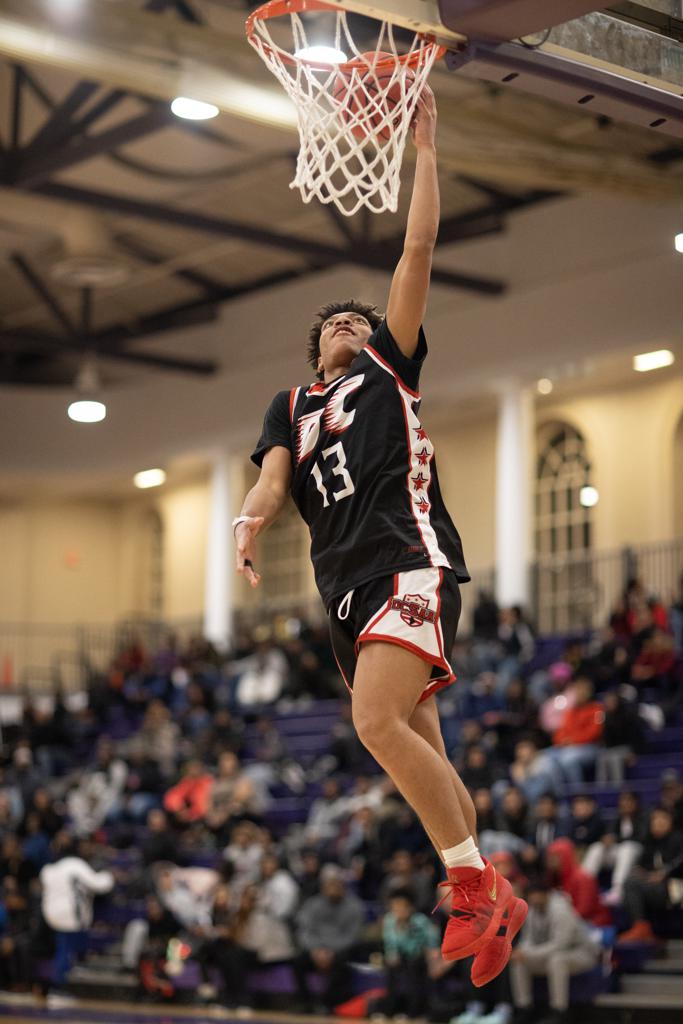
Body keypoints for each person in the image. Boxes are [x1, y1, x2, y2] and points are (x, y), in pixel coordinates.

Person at [234, 84, 524, 980]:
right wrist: (247, 520)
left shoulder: (387, 370)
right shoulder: (289, 404)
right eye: (335, 323)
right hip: (343, 590)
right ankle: (486, 889)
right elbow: (274, 483)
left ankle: (475, 890)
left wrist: (425, 148)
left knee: (371, 723)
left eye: (361, 321)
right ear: (315, 345)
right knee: (418, 748)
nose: (350, 324)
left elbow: (419, 245)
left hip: (405, 560)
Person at [510, 883, 601, 1024]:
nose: (534, 900)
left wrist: (529, 954)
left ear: (546, 894)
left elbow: (560, 945)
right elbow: (527, 939)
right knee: (519, 961)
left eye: (537, 896)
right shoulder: (532, 909)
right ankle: (524, 1008)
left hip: (581, 953)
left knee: (557, 960)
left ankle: (559, 1011)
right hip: (550, 954)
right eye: (532, 896)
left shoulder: (561, 910)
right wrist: (522, 952)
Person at [40, 835, 114, 992]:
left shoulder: (49, 868)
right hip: (69, 914)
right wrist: (109, 875)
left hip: (50, 914)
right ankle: (58, 987)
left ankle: (63, 981)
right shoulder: (75, 864)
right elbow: (99, 884)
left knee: (64, 947)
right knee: (65, 950)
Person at [293, 864, 364, 1012]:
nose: (332, 889)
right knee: (297, 961)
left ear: (343, 887)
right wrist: (316, 950)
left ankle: (327, 1004)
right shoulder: (313, 904)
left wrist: (330, 951)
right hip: (315, 950)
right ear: (323, 887)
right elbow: (304, 931)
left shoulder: (354, 906)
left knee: (343, 962)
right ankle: (304, 1003)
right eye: (329, 885)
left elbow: (353, 937)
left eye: (336, 885)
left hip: (340, 952)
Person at [618, 806, 683, 943]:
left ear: (670, 821)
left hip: (675, 886)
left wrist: (664, 873)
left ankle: (642, 927)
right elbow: (643, 866)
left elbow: (679, 863)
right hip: (653, 887)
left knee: (633, 884)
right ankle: (641, 927)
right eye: (655, 819)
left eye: (663, 818)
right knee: (630, 880)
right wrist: (641, 871)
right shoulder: (648, 842)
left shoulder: (678, 838)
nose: (658, 822)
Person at [380, 887, 440, 1017]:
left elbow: (428, 941)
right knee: (390, 967)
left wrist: (432, 954)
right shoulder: (389, 920)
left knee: (413, 968)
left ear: (410, 907)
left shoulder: (420, 921)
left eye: (401, 907)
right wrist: (391, 954)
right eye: (394, 907)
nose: (398, 910)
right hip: (399, 956)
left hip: (417, 956)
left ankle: (413, 1011)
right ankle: (390, 1010)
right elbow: (389, 942)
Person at [582, 790, 647, 905]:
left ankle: (618, 890)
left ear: (636, 802)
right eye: (623, 800)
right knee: (597, 847)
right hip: (620, 854)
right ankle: (583, 885)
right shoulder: (618, 817)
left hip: (638, 853)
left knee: (627, 848)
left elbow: (641, 838)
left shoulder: (644, 816)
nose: (625, 803)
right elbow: (611, 834)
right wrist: (607, 840)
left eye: (628, 800)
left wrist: (616, 839)